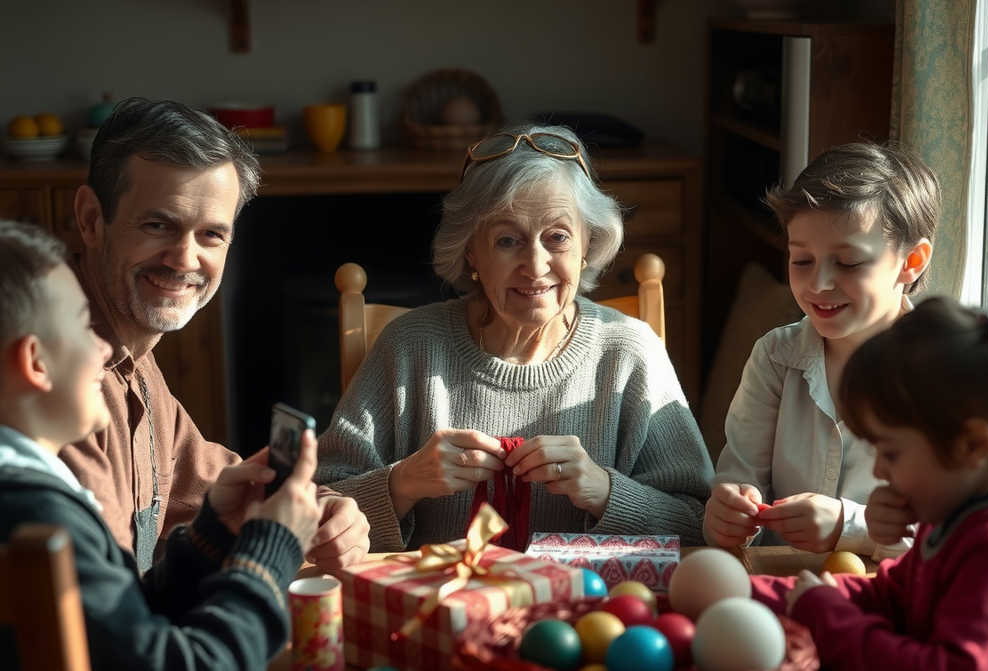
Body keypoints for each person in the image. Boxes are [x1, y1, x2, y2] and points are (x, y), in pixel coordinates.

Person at [317, 126, 713, 551]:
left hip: (587, 612)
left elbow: (701, 525)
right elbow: (318, 511)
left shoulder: (630, 352)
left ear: (586, 243)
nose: (535, 265)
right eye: (508, 240)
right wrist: (403, 482)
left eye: (557, 237)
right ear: (471, 251)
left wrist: (604, 491)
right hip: (440, 609)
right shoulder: (410, 347)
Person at [58, 97, 369, 572]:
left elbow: (211, 478)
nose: (184, 260)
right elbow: (116, 633)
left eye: (211, 235)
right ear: (90, 220)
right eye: (158, 225)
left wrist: (323, 507)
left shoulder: (133, 358)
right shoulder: (60, 380)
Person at [0, 220, 322, 669]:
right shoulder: (35, 516)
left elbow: (125, 639)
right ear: (35, 362)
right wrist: (271, 549)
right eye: (82, 325)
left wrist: (212, 537)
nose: (105, 349)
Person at [751, 296, 988, 670]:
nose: (879, 471)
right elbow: (892, 597)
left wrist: (825, 614)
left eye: (891, 453)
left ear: (972, 445)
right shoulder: (954, 514)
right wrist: (752, 592)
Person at [704, 143, 939, 557]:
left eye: (848, 264)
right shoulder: (775, 358)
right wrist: (726, 515)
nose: (818, 284)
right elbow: (738, 481)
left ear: (912, 261)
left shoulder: (946, 373)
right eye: (802, 261)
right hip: (779, 591)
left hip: (888, 597)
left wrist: (849, 527)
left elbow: (951, 533)